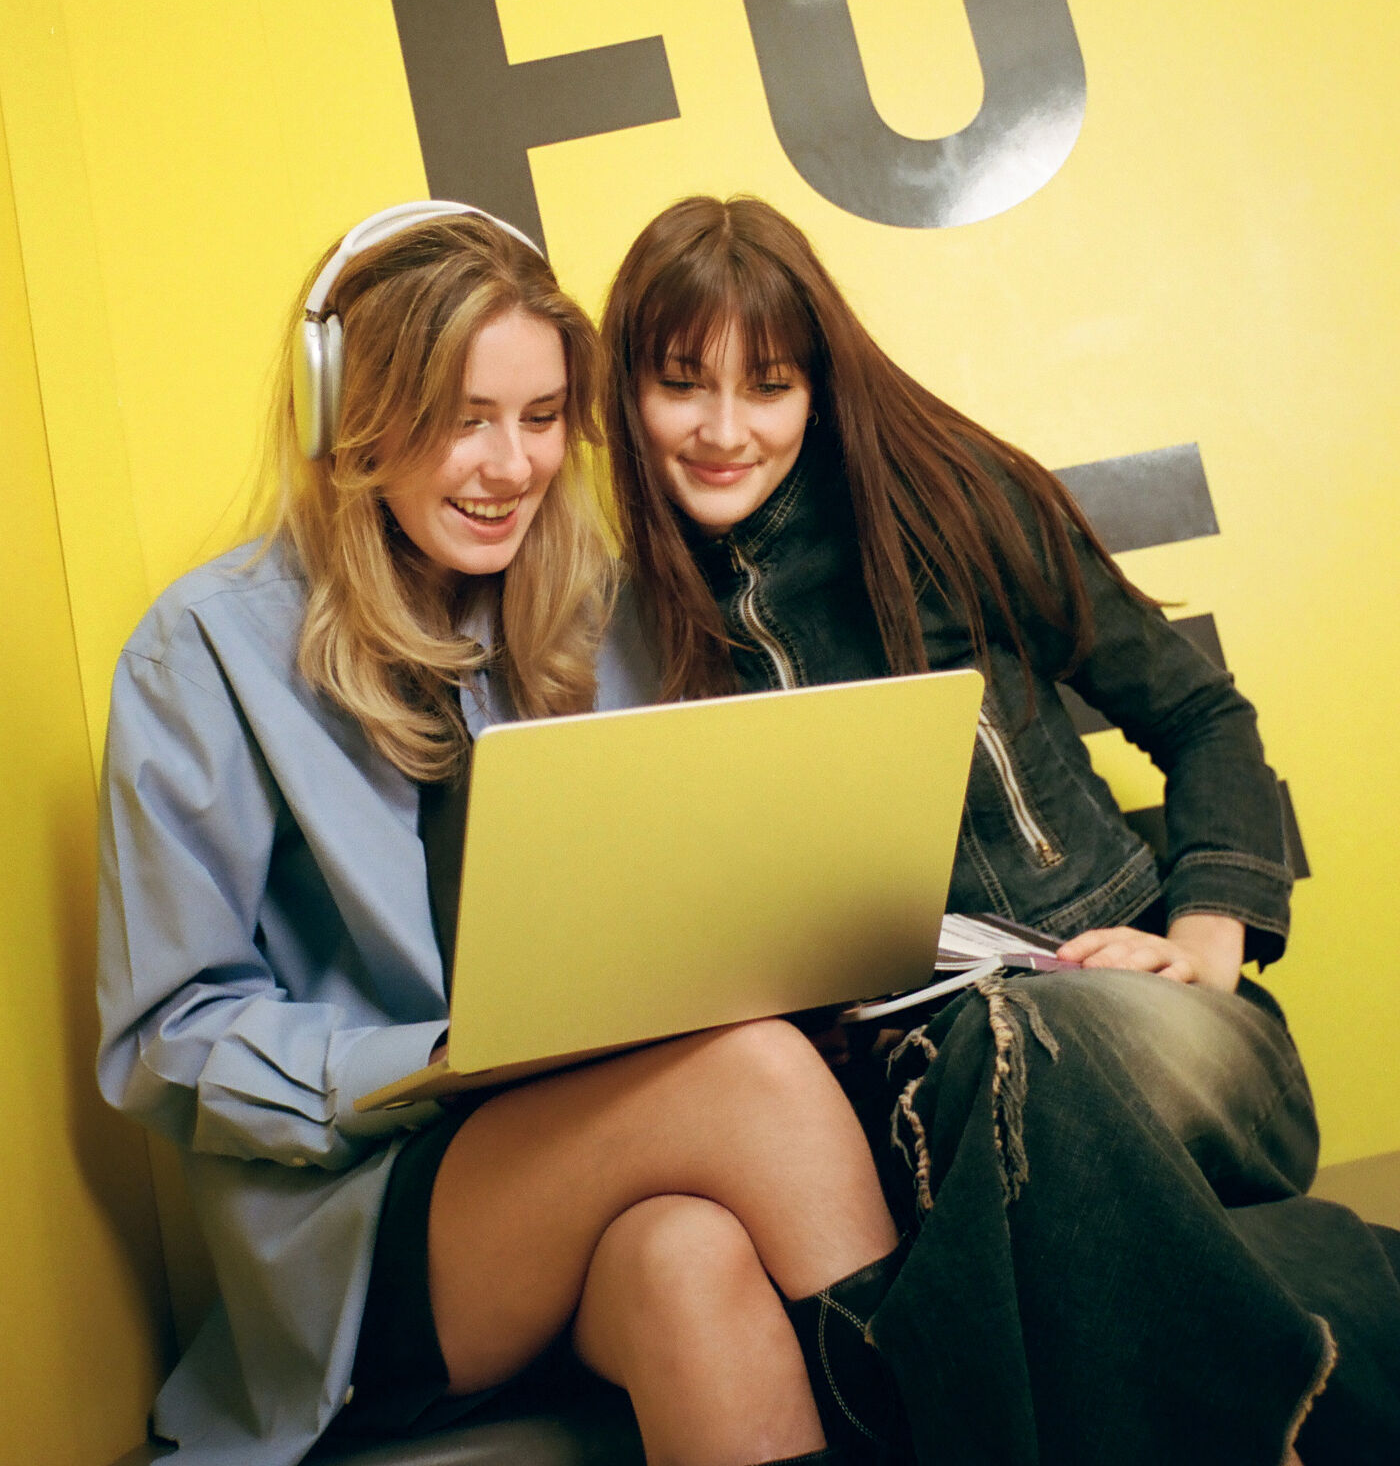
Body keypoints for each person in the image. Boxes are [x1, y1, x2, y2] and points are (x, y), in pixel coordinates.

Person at [95, 202, 906, 1466]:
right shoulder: (201, 650)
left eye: (539, 420)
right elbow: (163, 1040)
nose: (511, 465)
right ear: (346, 416)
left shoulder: (605, 610)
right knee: (746, 1078)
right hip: (369, 1233)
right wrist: (433, 1061)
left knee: (690, 1266)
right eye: (460, 419)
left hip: (588, 1178)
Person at [600, 193, 1400, 1466]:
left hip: (1146, 1037)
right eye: (679, 385)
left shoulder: (946, 501)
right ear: (623, 395)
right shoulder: (617, 628)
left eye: (768, 385)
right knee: (980, 1069)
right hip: (914, 1115)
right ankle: (1338, 1297)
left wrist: (1202, 948)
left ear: (818, 385)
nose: (723, 430)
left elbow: (1201, 714)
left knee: (1019, 1038)